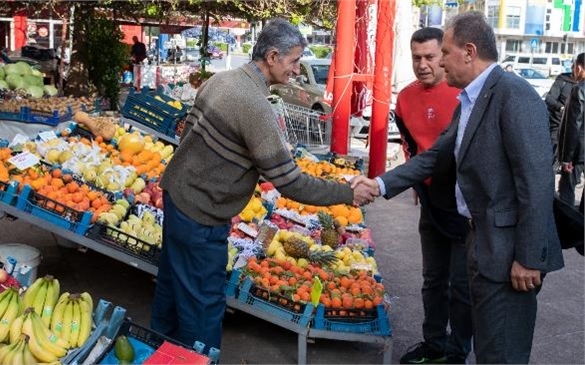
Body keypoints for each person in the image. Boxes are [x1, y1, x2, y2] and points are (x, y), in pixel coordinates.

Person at [150, 18, 376, 352]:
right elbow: (290, 183)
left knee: (171, 291)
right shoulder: (255, 105)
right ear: (272, 56)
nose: (297, 69)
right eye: (294, 60)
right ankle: (196, 360)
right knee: (203, 306)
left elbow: (189, 137)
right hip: (200, 215)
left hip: (178, 198)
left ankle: (160, 352)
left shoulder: (222, 80)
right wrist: (347, 193)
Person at [352, 12, 564, 363]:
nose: (438, 63)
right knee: (488, 347)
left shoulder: (514, 96)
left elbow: (537, 182)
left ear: (469, 51)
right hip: (480, 241)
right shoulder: (470, 99)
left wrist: (529, 258)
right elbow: (434, 157)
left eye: (444, 53)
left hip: (510, 253)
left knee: (502, 353)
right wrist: (379, 183)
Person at [394, 27, 472, 365]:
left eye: (429, 56)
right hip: (430, 201)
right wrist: (415, 180)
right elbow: (409, 143)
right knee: (433, 279)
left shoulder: (464, 95)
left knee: (462, 285)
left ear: (445, 55)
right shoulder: (405, 97)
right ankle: (434, 343)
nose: (422, 64)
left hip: (465, 204)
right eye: (416, 57)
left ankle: (457, 351)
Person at [557, 53, 585, 208]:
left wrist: (567, 158)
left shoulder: (578, 90)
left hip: (577, 152)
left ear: (579, 68)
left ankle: (569, 227)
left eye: (574, 67)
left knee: (566, 190)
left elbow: (574, 125)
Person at [545, 59, 578, 168]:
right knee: (555, 157)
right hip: (558, 124)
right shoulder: (562, 80)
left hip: (577, 128)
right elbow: (549, 99)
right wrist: (562, 108)